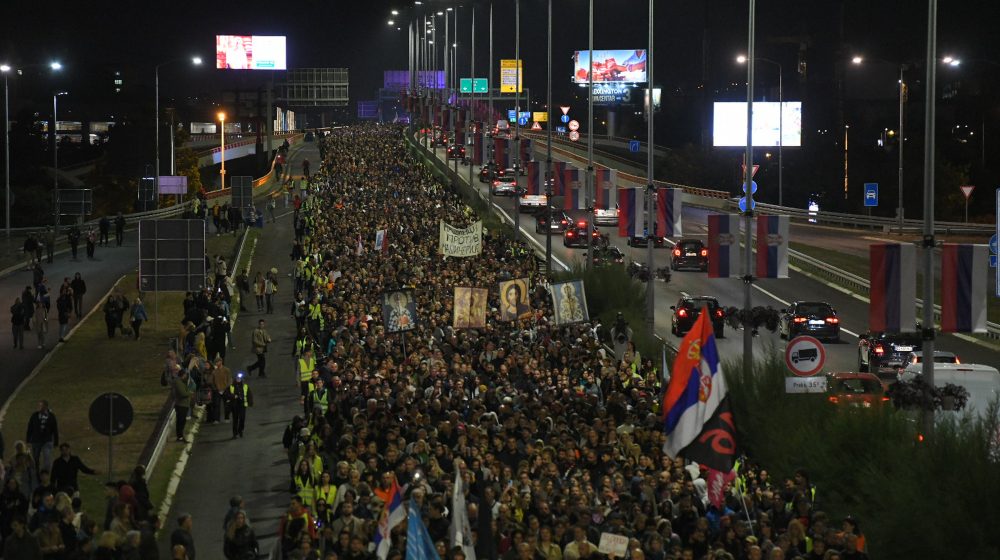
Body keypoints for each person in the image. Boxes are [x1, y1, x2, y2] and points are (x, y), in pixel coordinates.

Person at [26, 401, 58, 474]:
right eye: (39, 405)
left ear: (46, 407)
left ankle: (45, 473)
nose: (39, 407)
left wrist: (56, 441)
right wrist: (28, 440)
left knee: (47, 457)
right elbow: (30, 427)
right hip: (36, 441)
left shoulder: (51, 416)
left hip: (47, 440)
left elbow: (55, 429)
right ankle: (36, 472)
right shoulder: (34, 415)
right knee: (36, 458)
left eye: (41, 406)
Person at [226, 372, 254, 439]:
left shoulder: (245, 386)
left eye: (240, 378)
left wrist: (250, 402)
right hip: (234, 405)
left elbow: (249, 395)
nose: (238, 379)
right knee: (235, 420)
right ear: (235, 379)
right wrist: (233, 396)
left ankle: (240, 430)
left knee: (242, 419)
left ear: (242, 379)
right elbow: (226, 394)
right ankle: (235, 434)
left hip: (242, 405)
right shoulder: (231, 386)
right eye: (237, 378)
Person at [173, 370, 194, 443]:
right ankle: (180, 437)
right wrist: (189, 393)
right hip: (181, 405)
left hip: (184, 404)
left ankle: (180, 436)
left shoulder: (181, 382)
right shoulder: (178, 382)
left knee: (182, 421)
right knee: (180, 421)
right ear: (182, 375)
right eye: (185, 375)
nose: (186, 376)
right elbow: (183, 393)